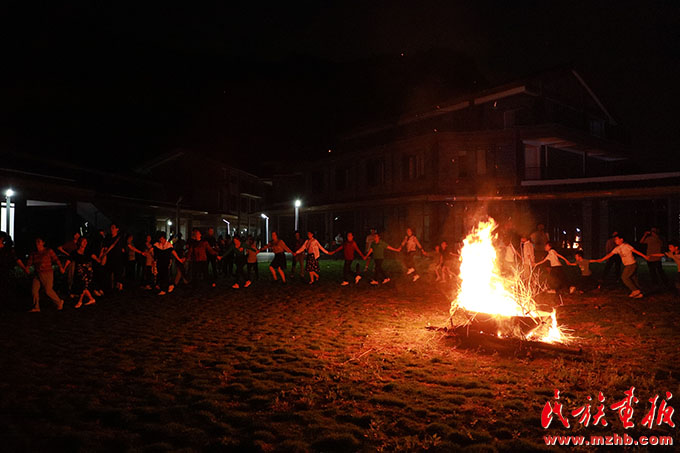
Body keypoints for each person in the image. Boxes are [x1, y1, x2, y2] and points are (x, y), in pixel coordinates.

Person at [25, 237, 64, 312]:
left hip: (47, 273)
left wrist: (61, 267)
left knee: (48, 290)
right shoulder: (34, 253)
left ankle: (59, 302)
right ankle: (36, 307)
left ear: (43, 243)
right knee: (34, 290)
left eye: (39, 241)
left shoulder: (48, 251)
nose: (37, 243)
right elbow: (30, 261)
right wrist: (27, 267)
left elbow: (56, 259)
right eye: (36, 242)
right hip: (38, 273)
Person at [62, 237, 97, 307]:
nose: (85, 243)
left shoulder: (87, 251)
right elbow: (69, 260)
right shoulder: (75, 252)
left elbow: (93, 256)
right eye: (83, 241)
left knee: (83, 286)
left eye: (86, 241)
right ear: (79, 243)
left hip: (87, 271)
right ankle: (91, 299)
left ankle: (80, 301)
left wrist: (98, 259)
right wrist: (64, 268)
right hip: (79, 272)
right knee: (83, 286)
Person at [0, 233, 24, 307]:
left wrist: (24, 268)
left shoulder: (8, 250)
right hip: (4, 271)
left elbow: (16, 259)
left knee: (5, 287)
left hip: (5, 271)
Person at [104, 223, 125, 292]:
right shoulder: (108, 238)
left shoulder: (119, 239)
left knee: (118, 272)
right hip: (110, 258)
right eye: (111, 228)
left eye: (113, 228)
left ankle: (119, 285)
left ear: (117, 229)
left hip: (118, 258)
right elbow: (106, 247)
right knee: (109, 272)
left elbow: (123, 248)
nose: (112, 229)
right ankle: (110, 286)